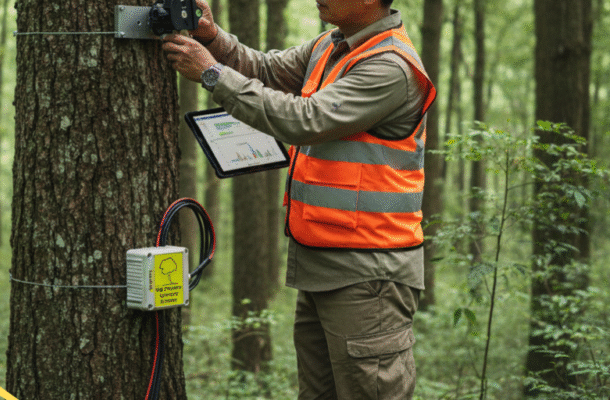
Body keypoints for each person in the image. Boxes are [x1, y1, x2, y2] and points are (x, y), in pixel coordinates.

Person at [163, 0, 436, 398]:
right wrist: (213, 38)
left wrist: (211, 74)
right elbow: (266, 71)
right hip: (321, 263)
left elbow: (306, 119)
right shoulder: (330, 45)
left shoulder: (390, 67)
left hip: (369, 273)